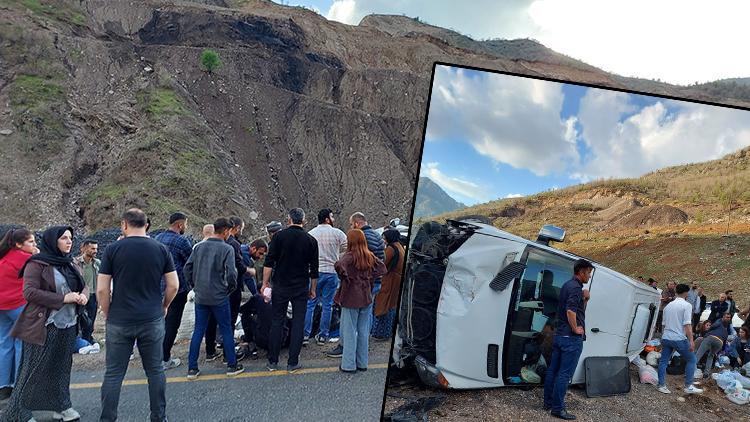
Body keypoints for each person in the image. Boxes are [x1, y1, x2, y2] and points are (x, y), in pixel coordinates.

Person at [97, 209, 179, 422]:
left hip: (119, 319)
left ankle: (107, 418)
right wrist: (164, 306)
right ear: (146, 225)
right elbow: (173, 285)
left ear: (124, 224)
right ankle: (158, 417)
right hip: (151, 318)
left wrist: (107, 312)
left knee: (114, 374)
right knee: (155, 371)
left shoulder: (112, 250)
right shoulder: (160, 249)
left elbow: (102, 290)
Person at [5, 226, 88, 422]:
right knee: (33, 370)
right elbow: (30, 292)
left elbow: (83, 285)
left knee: (61, 368)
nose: (69, 241)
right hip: (44, 324)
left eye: (70, 238)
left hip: (68, 324)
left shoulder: (70, 263)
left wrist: (83, 296)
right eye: (64, 238)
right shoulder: (37, 263)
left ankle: (62, 407)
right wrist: (63, 298)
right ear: (53, 241)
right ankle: (18, 412)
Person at [184, 217, 243, 379]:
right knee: (226, 329)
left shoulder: (199, 247)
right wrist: (229, 289)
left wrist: (194, 285)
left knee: (199, 330)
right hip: (219, 296)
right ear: (225, 231)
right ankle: (232, 365)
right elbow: (232, 274)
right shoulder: (226, 249)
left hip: (201, 295)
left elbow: (187, 268)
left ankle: (192, 368)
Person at [262, 208, 318, 373]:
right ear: (304, 221)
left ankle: (273, 361)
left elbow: (269, 262)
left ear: (288, 220)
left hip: (280, 285)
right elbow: (314, 269)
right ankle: (293, 362)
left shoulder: (279, 237)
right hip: (301, 286)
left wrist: (265, 283)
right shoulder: (311, 240)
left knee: (277, 321)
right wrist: (313, 288)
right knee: (298, 322)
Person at [327, 212, 384, 358]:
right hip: (371, 285)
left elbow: (344, 264)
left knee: (350, 325)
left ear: (357, 224)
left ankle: (347, 354)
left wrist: (347, 277)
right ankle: (362, 353)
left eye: (352, 224)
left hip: (357, 288)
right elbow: (381, 265)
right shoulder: (377, 236)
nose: (351, 227)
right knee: (365, 322)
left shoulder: (361, 242)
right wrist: (372, 276)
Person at [543, 258, 594, 420]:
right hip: (570, 338)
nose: (590, 276)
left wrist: (585, 299)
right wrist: (575, 328)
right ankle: (558, 409)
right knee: (564, 374)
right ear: (581, 272)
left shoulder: (567, 285)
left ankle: (548, 403)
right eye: (589, 273)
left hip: (560, 335)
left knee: (553, 370)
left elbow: (578, 310)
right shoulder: (575, 288)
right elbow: (571, 312)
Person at [335, 229, 386, 373]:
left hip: (351, 296)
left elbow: (339, 265)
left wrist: (346, 277)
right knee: (364, 331)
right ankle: (362, 363)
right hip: (366, 295)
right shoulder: (369, 256)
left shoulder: (350, 256)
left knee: (349, 331)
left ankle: (348, 365)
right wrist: (370, 277)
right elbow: (382, 268)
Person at [0, 228, 37, 400]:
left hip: (2, 306)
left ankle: (3, 385)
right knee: (21, 345)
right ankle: (19, 384)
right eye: (31, 242)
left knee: (4, 344)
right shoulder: (27, 259)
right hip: (19, 305)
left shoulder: (3, 257)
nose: (34, 244)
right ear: (18, 244)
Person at [205, 216, 247, 363]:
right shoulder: (232, 245)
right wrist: (233, 286)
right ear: (232, 228)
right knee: (228, 321)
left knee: (209, 321)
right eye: (240, 228)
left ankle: (210, 351)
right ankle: (228, 356)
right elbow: (235, 269)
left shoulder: (205, 245)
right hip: (228, 290)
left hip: (209, 288)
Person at [154, 212, 193, 371]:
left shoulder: (157, 239)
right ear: (180, 225)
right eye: (186, 224)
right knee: (172, 324)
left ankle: (155, 357)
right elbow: (190, 263)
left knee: (159, 323)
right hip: (177, 289)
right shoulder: (182, 241)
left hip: (157, 288)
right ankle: (164, 359)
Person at [304, 209, 347, 345]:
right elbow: (348, 248)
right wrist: (338, 257)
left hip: (314, 273)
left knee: (310, 303)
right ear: (327, 219)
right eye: (332, 217)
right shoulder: (338, 233)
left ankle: (305, 334)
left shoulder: (310, 234)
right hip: (331, 272)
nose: (333, 219)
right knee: (327, 305)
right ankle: (323, 335)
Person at [655, 283, 702, 395]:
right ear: (686, 293)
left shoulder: (667, 306)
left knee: (663, 362)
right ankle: (688, 385)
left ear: (676, 292)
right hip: (678, 338)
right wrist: (691, 341)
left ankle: (661, 385)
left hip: (666, 337)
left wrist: (663, 338)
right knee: (692, 360)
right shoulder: (686, 305)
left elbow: (663, 325)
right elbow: (687, 325)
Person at [371, 229, 405, 341]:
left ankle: (381, 333)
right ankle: (387, 332)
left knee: (383, 306)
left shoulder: (391, 249)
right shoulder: (399, 246)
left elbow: (382, 263)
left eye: (384, 238)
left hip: (389, 281)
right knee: (391, 307)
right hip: (396, 281)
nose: (383, 240)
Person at [238, 239, 268, 359]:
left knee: (246, 313)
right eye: (260, 253)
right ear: (253, 248)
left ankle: (249, 340)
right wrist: (257, 294)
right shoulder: (244, 255)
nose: (260, 257)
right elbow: (248, 277)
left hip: (264, 340)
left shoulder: (243, 251)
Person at [73, 239, 100, 346]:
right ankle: (78, 341)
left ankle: (88, 339)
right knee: (80, 319)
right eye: (92, 248)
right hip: (81, 296)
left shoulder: (97, 263)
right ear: (84, 248)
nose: (95, 251)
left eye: (96, 249)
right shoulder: (76, 263)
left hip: (93, 295)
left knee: (91, 319)